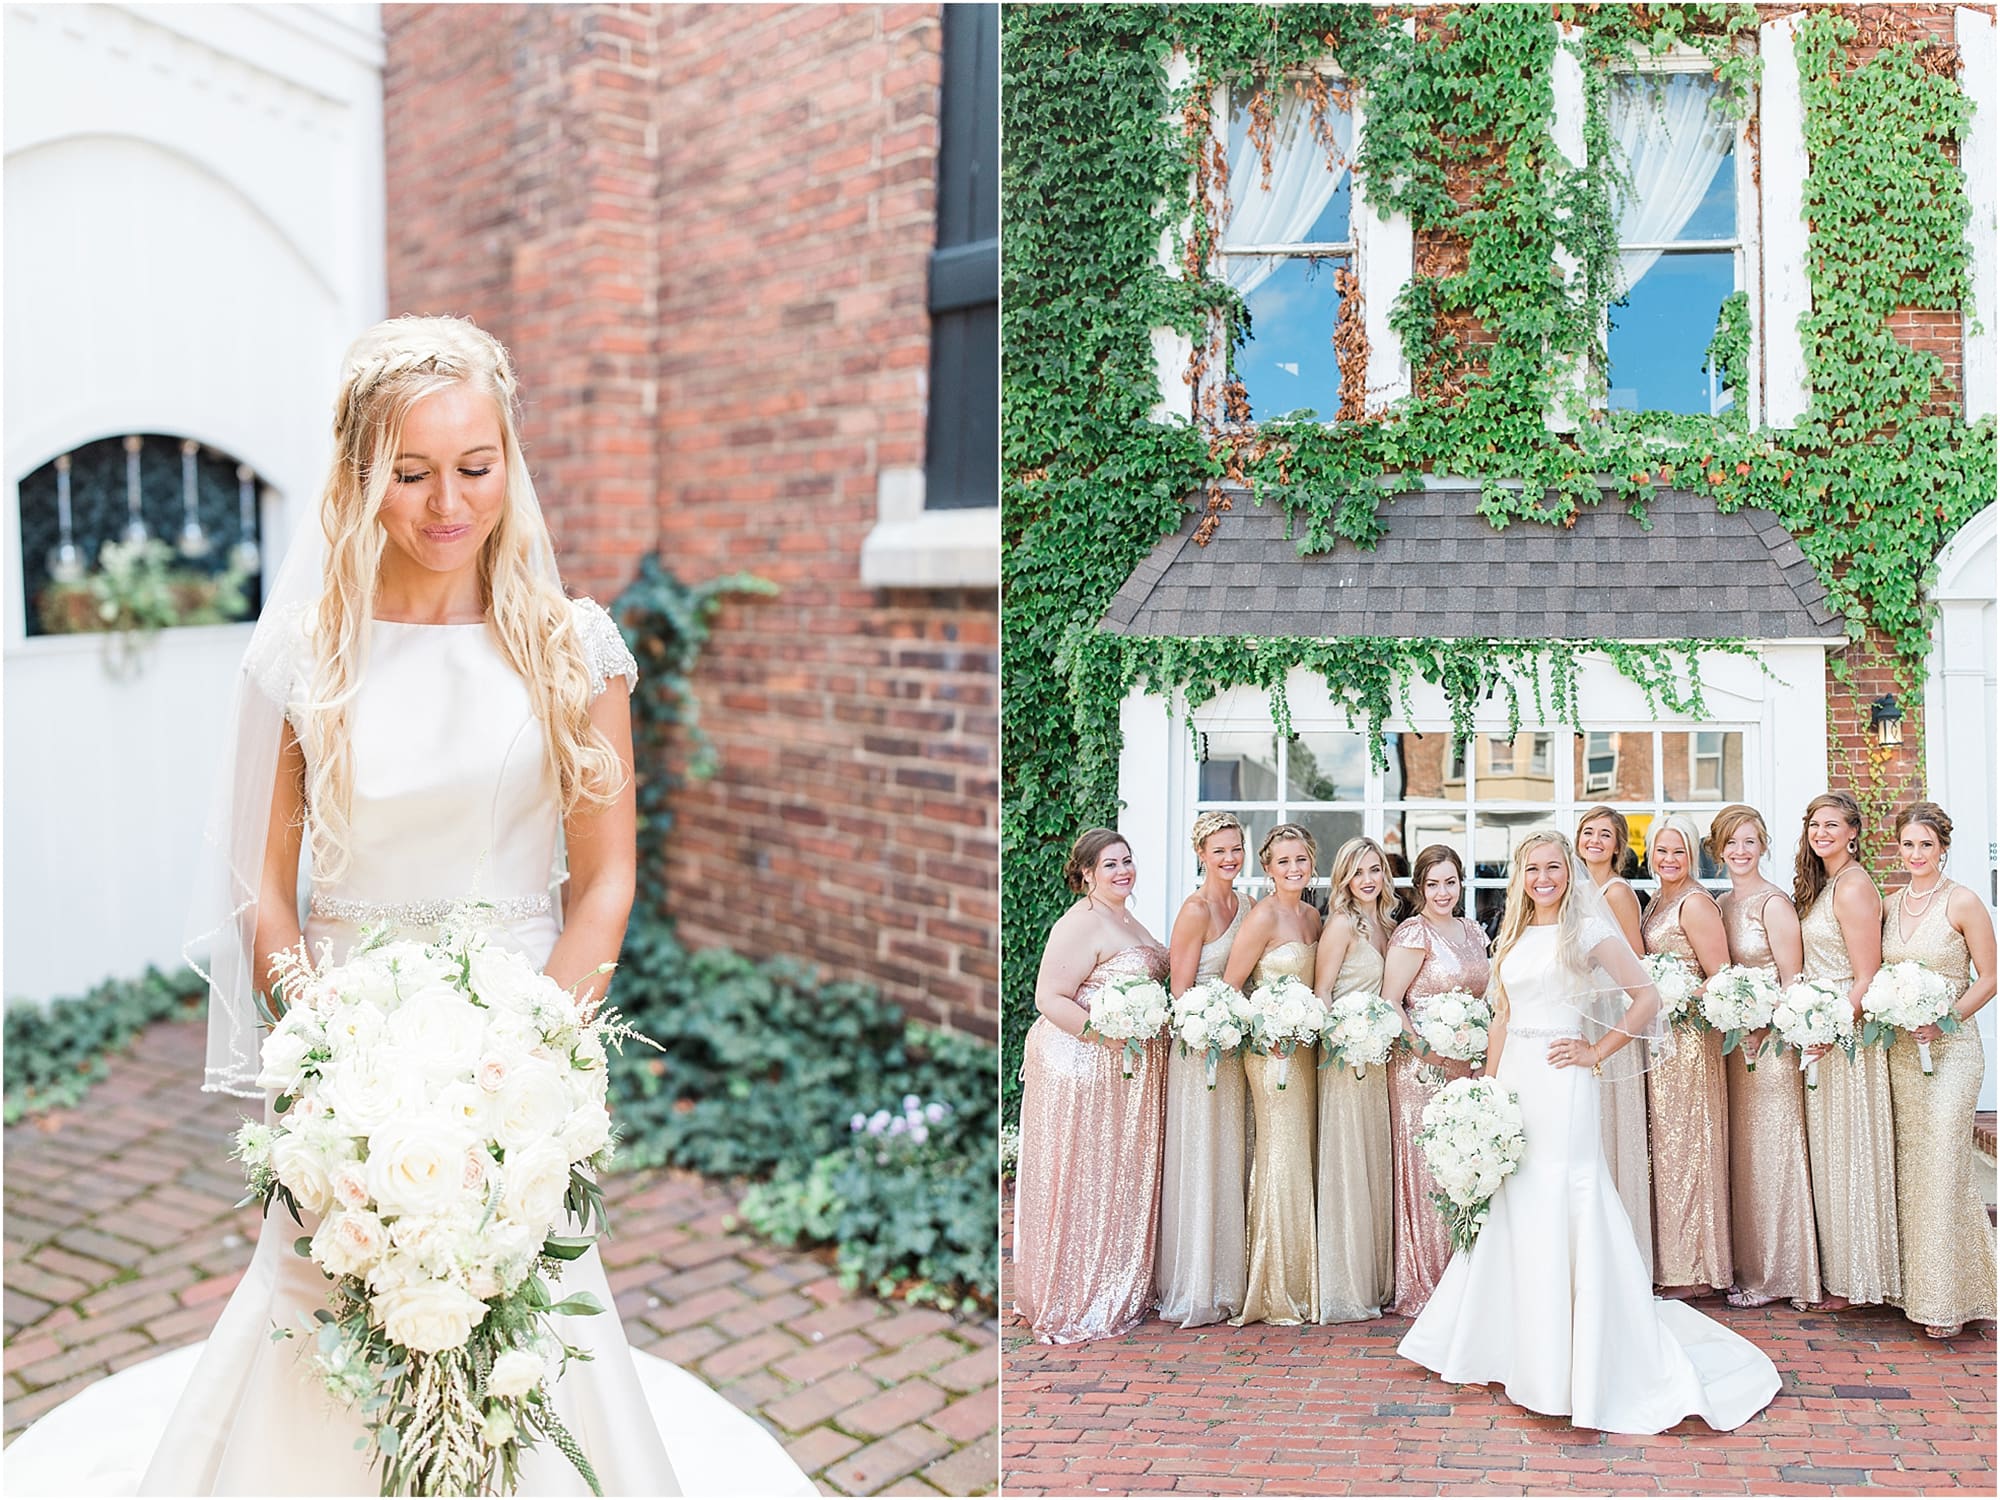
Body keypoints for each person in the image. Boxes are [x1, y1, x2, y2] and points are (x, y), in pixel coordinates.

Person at [5, 318, 812, 1497]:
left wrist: (537, 1055)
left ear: (508, 463)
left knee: (535, 1323)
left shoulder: (569, 649)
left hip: (525, 1046)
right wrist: (327, 1054)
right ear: (359, 475)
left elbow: (606, 883)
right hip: (342, 1051)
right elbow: (262, 894)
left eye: (474, 467)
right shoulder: (304, 658)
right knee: (324, 1307)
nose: (447, 504)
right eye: (410, 473)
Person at [1399, 830, 1780, 1435]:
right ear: (1520, 875)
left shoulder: (1589, 932)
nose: (1543, 878)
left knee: (1561, 1195)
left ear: (1569, 872)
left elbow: (1647, 998)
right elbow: (1502, 1015)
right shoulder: (1514, 935)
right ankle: (1498, 1343)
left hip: (1564, 1081)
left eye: (1554, 867)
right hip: (1517, 1084)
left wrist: (1596, 1050)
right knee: (1512, 1200)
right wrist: (1488, 1092)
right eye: (1533, 869)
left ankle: (1571, 1353)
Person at [1015, 827, 1171, 1343]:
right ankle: (1077, 1289)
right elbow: (1049, 997)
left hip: (1124, 1066)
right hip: (1085, 1064)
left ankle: (1114, 1278)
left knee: (1116, 1174)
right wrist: (1107, 1037)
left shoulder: (1124, 917)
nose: (1123, 870)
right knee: (1087, 1174)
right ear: (1085, 873)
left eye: (1127, 860)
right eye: (1110, 864)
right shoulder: (1079, 923)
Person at [1878, 801, 1997, 1339]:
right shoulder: (1889, 902)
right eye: (1908, 844)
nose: (1916, 853)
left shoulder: (1964, 901)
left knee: (1946, 1164)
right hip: (1903, 1052)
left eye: (1926, 844)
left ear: (1942, 847)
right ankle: (1923, 1288)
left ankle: (1946, 1302)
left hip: (1953, 1052)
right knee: (1915, 1170)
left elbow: (1989, 978)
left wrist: (1945, 1020)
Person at [1711, 804, 1821, 1311]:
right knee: (1747, 1158)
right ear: (1718, 848)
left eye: (1749, 841)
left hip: (1771, 1048)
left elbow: (1792, 980)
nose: (1740, 851)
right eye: (1731, 842)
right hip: (1736, 1047)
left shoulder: (1773, 903)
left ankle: (1785, 1273)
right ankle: (1752, 1263)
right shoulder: (1721, 904)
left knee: (1774, 1154)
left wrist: (1764, 1023)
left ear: (1763, 846)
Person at [1792, 791, 1899, 1313]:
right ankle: (1841, 1274)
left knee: (1851, 1155)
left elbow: (1866, 975)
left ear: (1853, 831)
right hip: (1823, 1034)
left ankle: (1860, 1280)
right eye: (1815, 824)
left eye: (1831, 824)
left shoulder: (1854, 886)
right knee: (1831, 1157)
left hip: (1847, 1039)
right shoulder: (1826, 884)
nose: (1821, 833)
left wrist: (1830, 1028)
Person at [1381, 844, 1488, 1317]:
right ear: (1420, 887)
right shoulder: (1413, 932)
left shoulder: (1471, 930)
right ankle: (1427, 1280)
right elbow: (1391, 1001)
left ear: (1461, 883)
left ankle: (1467, 1275)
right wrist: (1427, 1051)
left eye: (1451, 882)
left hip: (1467, 1065)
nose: (1443, 892)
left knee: (1467, 1165)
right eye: (1433, 884)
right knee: (1429, 1170)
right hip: (1421, 1069)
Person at [1223, 824, 1322, 1327]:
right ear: (1268, 867)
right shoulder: (1262, 916)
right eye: (1283, 862)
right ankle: (1275, 1285)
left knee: (1300, 1152)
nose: (1293, 869)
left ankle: (1307, 1276)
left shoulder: (1312, 915)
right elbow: (1231, 987)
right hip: (1270, 1051)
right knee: (1279, 1152)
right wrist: (1265, 1030)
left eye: (1300, 859)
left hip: (1304, 1049)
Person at [1157, 812, 1249, 1327]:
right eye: (1220, 851)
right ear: (1201, 854)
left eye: (1236, 849)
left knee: (1229, 1155)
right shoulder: (1194, 910)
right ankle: (1196, 1281)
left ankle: (1230, 1276)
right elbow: (1180, 993)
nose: (1230, 859)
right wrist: (1209, 1024)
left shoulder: (1245, 904)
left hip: (1235, 1050)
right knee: (1202, 1156)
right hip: (1199, 1051)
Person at [1641, 813, 1733, 1300]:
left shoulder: (1697, 903)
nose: (1669, 859)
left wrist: (1673, 995)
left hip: (1690, 1043)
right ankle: (1670, 1260)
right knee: (1667, 1150)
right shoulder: (1658, 899)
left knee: (1689, 1148)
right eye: (1661, 851)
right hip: (1661, 1041)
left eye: (1678, 851)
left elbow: (1720, 975)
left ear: (1692, 853)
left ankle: (1696, 1268)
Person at [1309, 835, 1396, 1323]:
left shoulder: (1385, 924)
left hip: (1378, 1056)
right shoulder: (1340, 925)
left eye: (1375, 870)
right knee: (1347, 1162)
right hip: (1345, 1060)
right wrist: (1346, 1038)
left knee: (1372, 1159)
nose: (1367, 880)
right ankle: (1346, 1284)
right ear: (1344, 878)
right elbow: (1322, 994)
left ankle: (1375, 1276)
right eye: (1358, 872)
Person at [1577, 805, 1653, 1277]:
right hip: (1578, 1017)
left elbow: (1635, 964)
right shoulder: (1572, 889)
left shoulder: (1617, 892)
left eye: (1606, 835)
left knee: (1611, 1125)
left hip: (1607, 1016)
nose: (1595, 840)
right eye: (1588, 832)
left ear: (1619, 846)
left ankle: (1621, 1259)